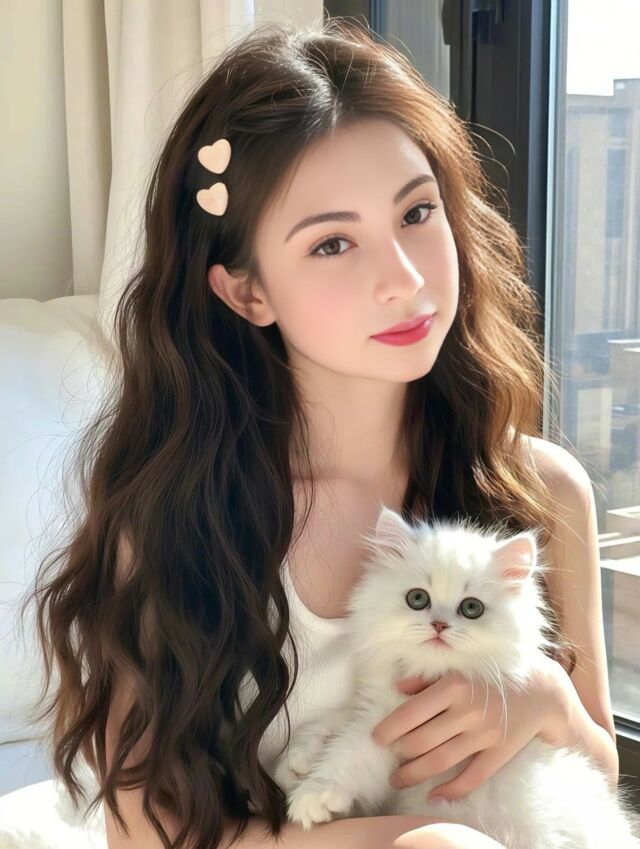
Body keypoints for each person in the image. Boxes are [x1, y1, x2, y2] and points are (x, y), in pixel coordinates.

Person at [19, 16, 619, 849]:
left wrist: (544, 698)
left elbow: (596, 774)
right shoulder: (178, 515)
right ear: (247, 292)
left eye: (417, 212)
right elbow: (143, 832)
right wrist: (414, 839)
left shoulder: (540, 490)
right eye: (334, 243)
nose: (403, 278)